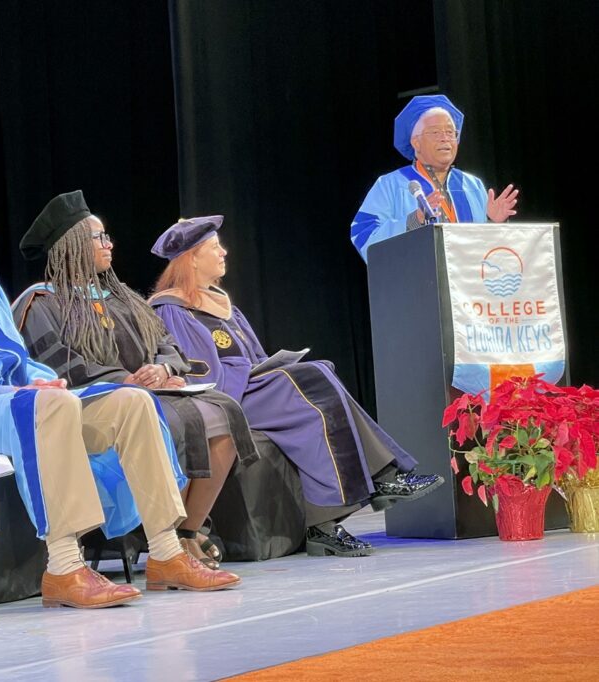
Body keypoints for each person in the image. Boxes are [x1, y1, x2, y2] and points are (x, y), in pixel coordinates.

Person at [0, 172, 239, 606]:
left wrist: (36, 376)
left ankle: (166, 551)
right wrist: (13, 391)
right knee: (48, 406)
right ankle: (64, 565)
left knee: (131, 402)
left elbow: (16, 359)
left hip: (15, 400)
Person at [149, 216, 445, 557]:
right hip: (224, 400)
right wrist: (254, 371)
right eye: (216, 248)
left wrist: (269, 366)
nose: (224, 252)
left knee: (319, 380)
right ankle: (383, 476)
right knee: (314, 378)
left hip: (254, 390)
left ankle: (325, 525)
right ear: (192, 258)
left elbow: (255, 355)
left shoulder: (223, 305)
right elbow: (200, 372)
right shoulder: (173, 308)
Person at [13, 191, 259, 570]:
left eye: (107, 236)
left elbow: (167, 343)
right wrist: (125, 379)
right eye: (99, 238)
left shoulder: (122, 296)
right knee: (175, 420)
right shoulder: (43, 302)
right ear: (73, 244)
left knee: (225, 413)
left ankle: (187, 534)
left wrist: (163, 369)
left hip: (150, 390)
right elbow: (58, 364)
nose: (109, 244)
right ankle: (164, 538)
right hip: (98, 401)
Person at [350, 94, 519, 262]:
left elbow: (486, 250)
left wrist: (494, 223)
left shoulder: (472, 185)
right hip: (417, 283)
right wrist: (414, 220)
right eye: (435, 132)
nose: (445, 138)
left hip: (468, 282)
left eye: (450, 132)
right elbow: (363, 235)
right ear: (416, 143)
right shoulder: (391, 185)